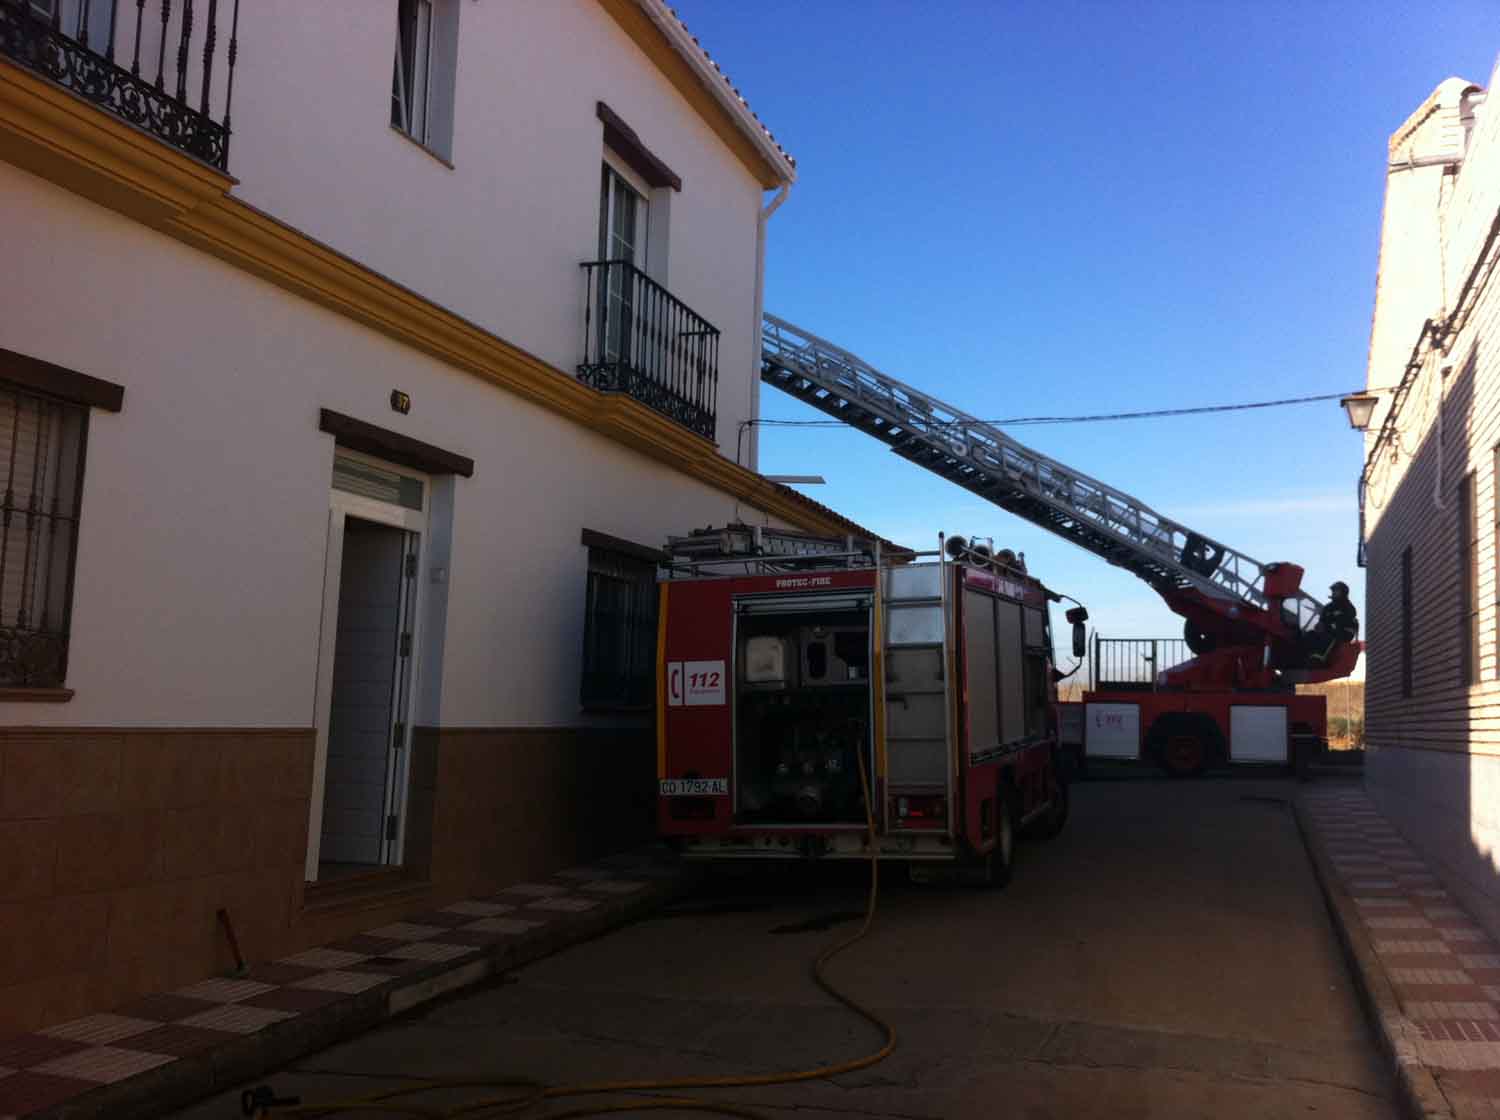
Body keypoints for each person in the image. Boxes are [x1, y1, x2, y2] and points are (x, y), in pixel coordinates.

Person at [1307, 581, 1358, 665]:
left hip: (1343, 633)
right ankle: (1309, 655)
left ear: (1343, 592)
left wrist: (1332, 623)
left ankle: (1320, 657)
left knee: (1330, 635)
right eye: (1333, 590)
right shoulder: (1327, 607)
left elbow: (1345, 620)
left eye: (1336, 590)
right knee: (1310, 634)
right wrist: (1319, 626)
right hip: (1329, 630)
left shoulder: (1348, 607)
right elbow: (1322, 621)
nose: (1333, 592)